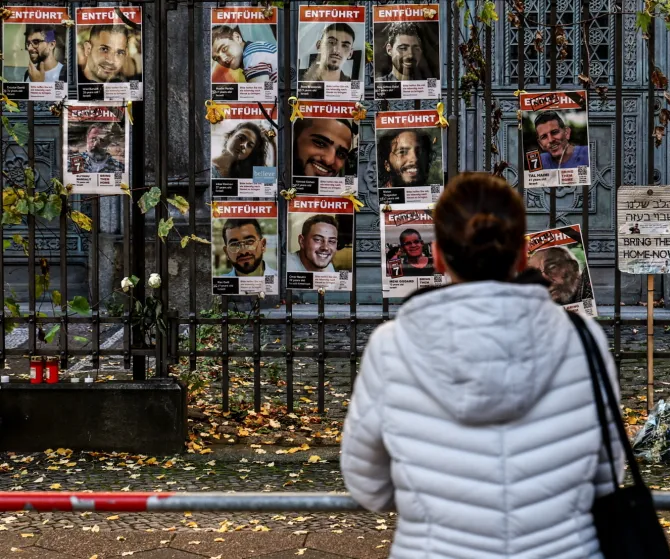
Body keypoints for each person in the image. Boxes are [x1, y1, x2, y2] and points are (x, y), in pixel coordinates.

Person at [340, 172, 628, 558]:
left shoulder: (391, 347)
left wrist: (430, 503)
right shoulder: (583, 338)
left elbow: (367, 483)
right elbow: (608, 473)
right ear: (523, 254)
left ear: (438, 254)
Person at [211, 25, 278, 83]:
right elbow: (268, 90)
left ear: (237, 37)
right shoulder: (257, 48)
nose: (223, 59)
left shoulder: (252, 55)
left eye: (224, 49)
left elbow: (262, 95)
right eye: (217, 58)